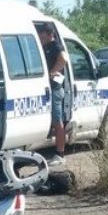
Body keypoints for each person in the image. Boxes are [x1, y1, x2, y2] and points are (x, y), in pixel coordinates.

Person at [38, 23, 68, 166]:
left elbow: (63, 59)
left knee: (57, 121)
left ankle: (60, 154)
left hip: (55, 89)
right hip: (46, 89)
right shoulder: (44, 46)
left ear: (50, 35)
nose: (41, 39)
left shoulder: (56, 46)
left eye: (43, 37)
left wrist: (51, 72)